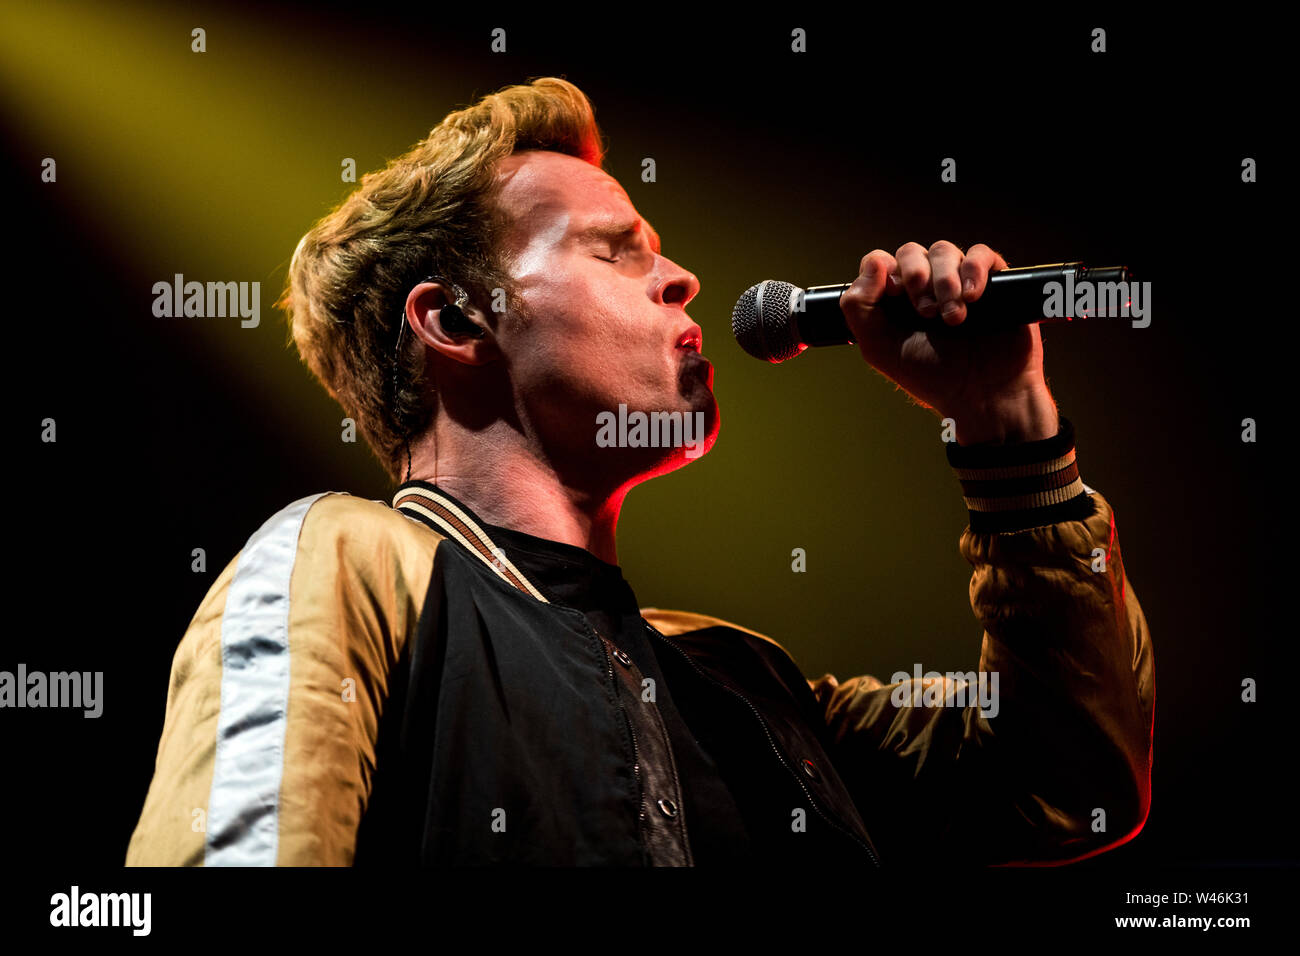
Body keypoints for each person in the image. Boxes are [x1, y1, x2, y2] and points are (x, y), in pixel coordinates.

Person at [125, 77, 1153, 866]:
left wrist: (1005, 422)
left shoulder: (745, 681)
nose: (683, 276)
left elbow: (1070, 783)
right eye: (616, 251)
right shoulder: (347, 565)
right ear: (452, 318)